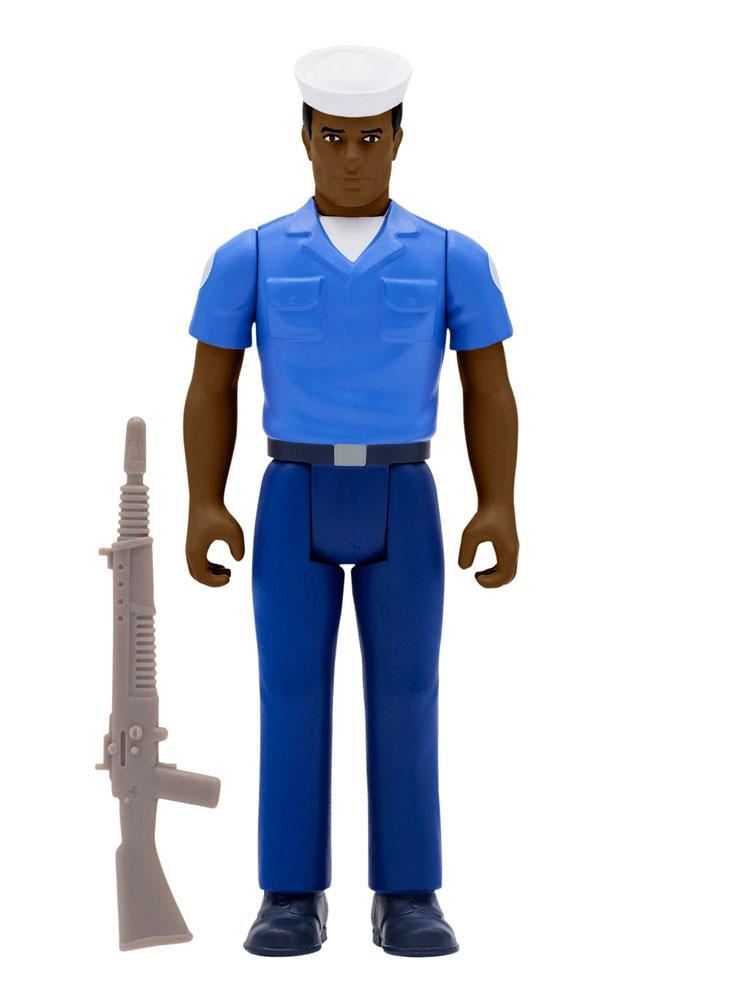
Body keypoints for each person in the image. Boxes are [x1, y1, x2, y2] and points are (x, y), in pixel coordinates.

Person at [183, 45, 519, 957]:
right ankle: (290, 891)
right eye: (333, 137)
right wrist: (205, 501)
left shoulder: (451, 257)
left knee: (408, 693)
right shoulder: (251, 255)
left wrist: (497, 503)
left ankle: (408, 891)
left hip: (404, 493)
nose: (353, 157)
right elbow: (212, 386)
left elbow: (489, 388)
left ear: (399, 139)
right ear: (304, 138)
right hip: (292, 489)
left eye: (371, 138)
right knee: (290, 693)